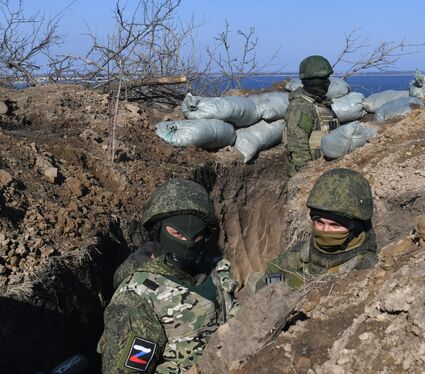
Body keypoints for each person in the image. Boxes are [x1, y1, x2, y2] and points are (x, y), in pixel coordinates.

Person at [97, 178, 239, 373]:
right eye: (178, 234)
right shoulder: (137, 297)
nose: (188, 243)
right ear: (159, 230)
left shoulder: (211, 269)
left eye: (196, 236)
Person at [248, 168, 377, 294]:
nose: (325, 231)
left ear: (354, 229)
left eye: (334, 225)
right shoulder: (305, 249)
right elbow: (274, 269)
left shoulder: (363, 268)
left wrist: (293, 288)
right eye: (320, 222)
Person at [285, 55, 341, 177]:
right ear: (311, 80)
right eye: (323, 79)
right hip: (310, 174)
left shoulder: (321, 104)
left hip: (325, 170)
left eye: (327, 78)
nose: (327, 82)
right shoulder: (301, 107)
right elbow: (298, 146)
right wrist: (306, 176)